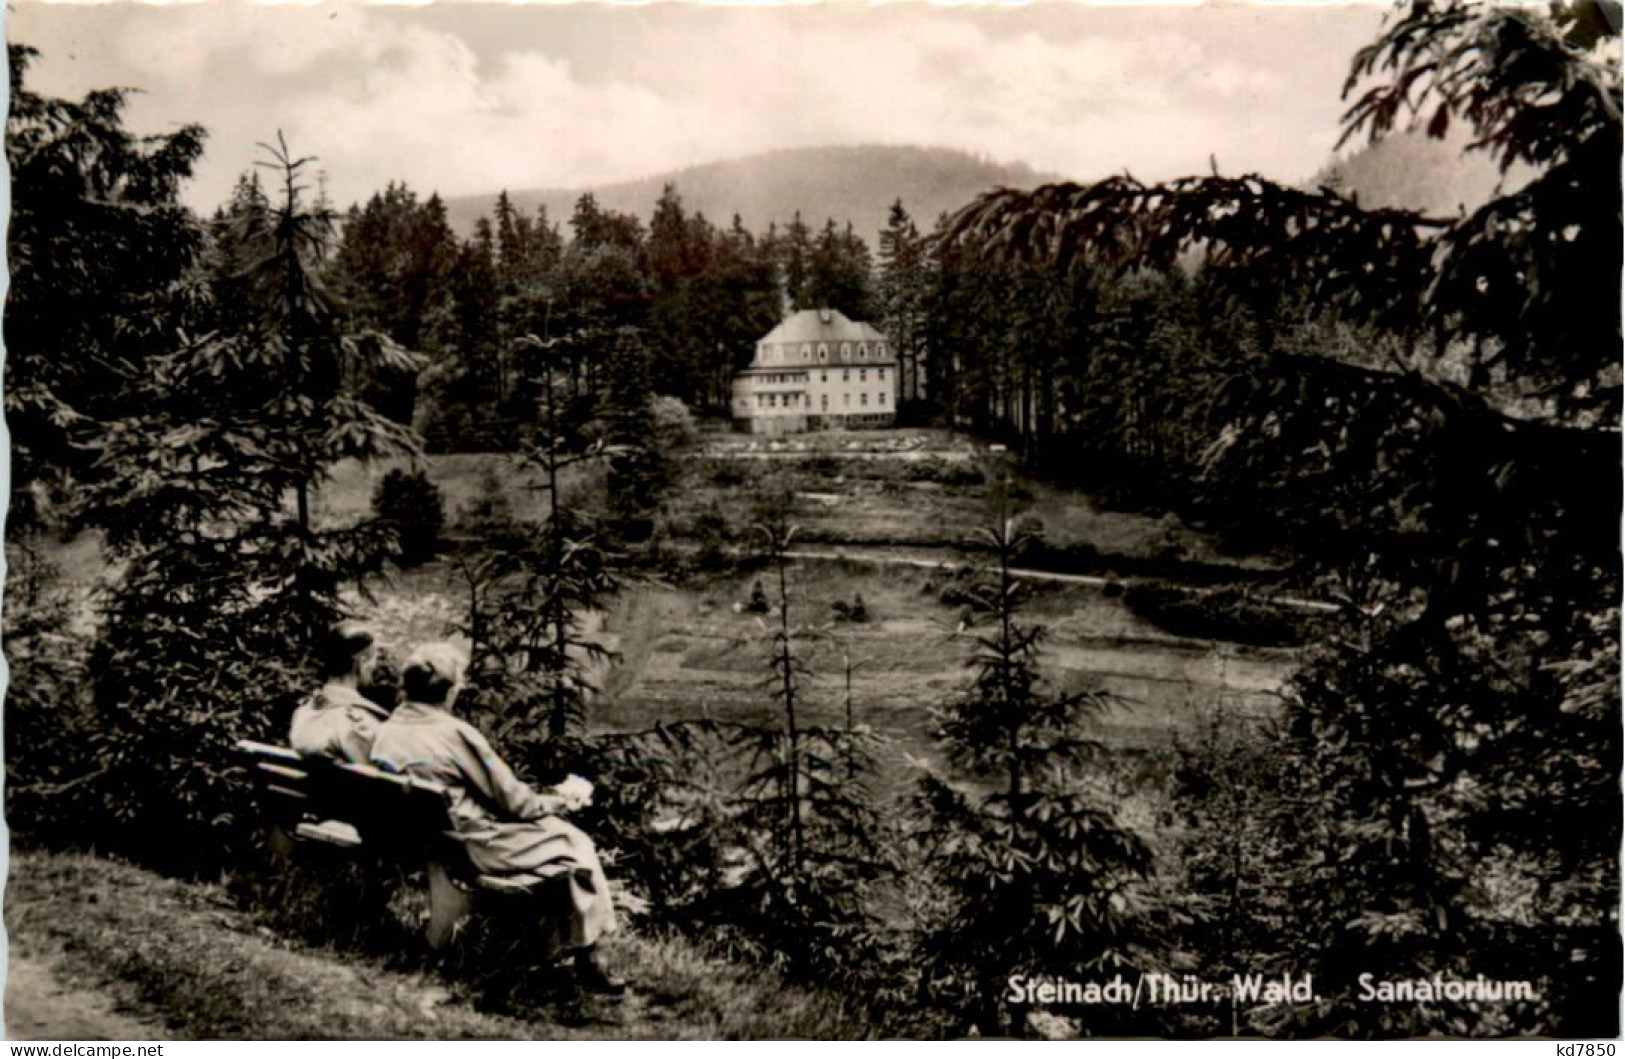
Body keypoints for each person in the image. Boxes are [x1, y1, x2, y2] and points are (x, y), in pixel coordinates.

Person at [370, 642, 625, 994]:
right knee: (575, 842)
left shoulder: (387, 730)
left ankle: (558, 948)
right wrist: (556, 801)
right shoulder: (455, 734)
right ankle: (589, 956)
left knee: (559, 843)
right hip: (473, 846)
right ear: (450, 690)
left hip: (425, 839)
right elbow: (515, 803)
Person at [290, 622, 389, 763]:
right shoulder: (359, 724)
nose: (374, 666)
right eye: (374, 659)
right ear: (361, 662)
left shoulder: (303, 714)